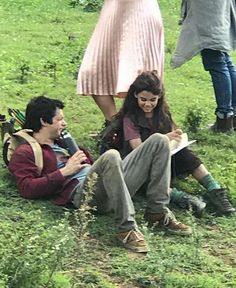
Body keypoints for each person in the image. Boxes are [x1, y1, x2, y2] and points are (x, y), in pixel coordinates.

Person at [8, 96, 192, 255]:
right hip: (85, 196)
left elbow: (93, 165)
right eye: (60, 119)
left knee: (159, 140)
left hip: (109, 186)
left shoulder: (64, 143)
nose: (64, 124)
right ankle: (126, 229)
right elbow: (27, 188)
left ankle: (157, 213)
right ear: (44, 121)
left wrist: (76, 151)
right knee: (111, 155)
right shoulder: (26, 152)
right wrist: (65, 171)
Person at [114, 71, 235, 216]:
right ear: (135, 95)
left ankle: (215, 190)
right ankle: (184, 199)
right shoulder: (130, 119)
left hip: (166, 157)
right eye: (143, 99)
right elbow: (138, 149)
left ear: (159, 97)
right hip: (142, 164)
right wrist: (165, 138)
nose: (148, 104)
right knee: (148, 181)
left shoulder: (162, 113)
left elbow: (174, 132)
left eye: (153, 100)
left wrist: (177, 138)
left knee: (186, 155)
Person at [77, 0, 164, 122]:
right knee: (92, 71)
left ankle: (142, 126)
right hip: (113, 11)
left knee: (139, 75)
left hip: (140, 13)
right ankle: (115, 125)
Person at [171, 0, 236, 133]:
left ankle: (225, 117)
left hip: (209, 12)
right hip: (217, 10)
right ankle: (231, 114)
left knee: (217, 61)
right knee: (224, 60)